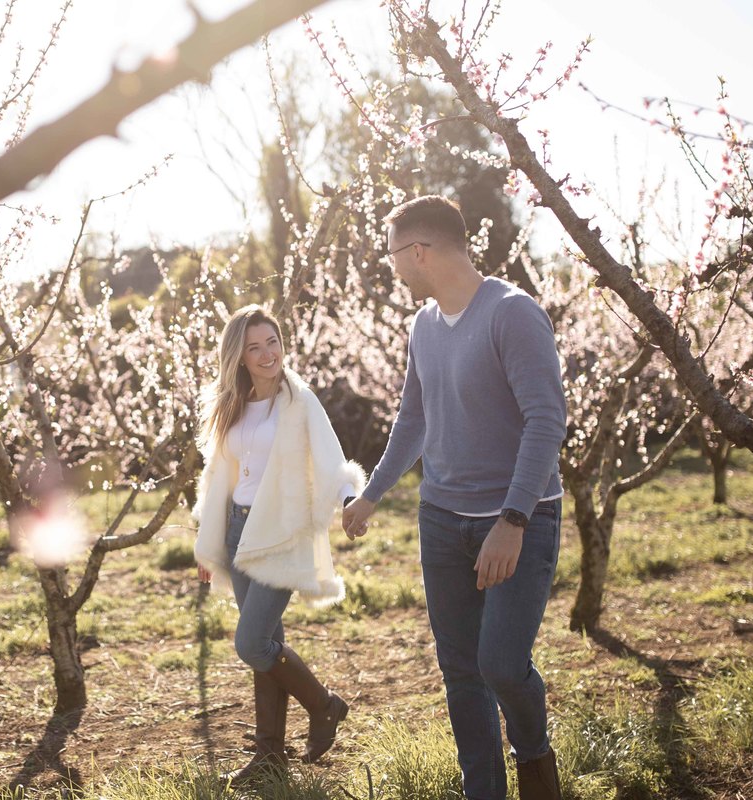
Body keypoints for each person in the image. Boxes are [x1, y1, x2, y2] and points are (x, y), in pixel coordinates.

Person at [343, 196, 567, 800]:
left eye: (392, 254)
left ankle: (537, 768)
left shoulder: (512, 314)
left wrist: (514, 519)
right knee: (462, 673)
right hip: (442, 522)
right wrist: (372, 493)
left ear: (419, 251)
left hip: (517, 518)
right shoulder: (423, 325)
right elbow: (413, 419)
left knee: (499, 664)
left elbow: (547, 419)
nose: (390, 267)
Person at [193, 304, 365, 784]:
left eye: (273, 342)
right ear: (239, 357)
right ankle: (270, 755)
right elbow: (218, 477)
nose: (268, 353)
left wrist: (351, 499)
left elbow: (333, 458)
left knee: (251, 643)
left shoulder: (299, 400)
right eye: (255, 347)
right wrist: (207, 543)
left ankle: (324, 705)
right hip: (236, 531)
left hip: (281, 532)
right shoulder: (232, 405)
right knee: (266, 642)